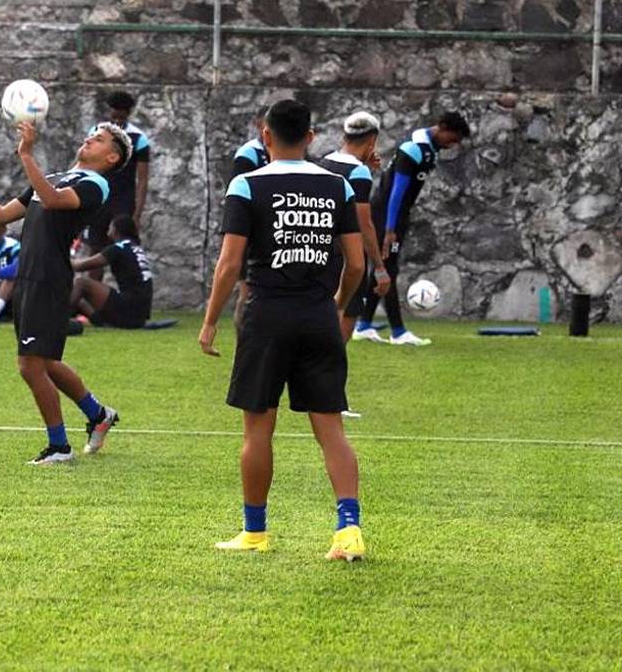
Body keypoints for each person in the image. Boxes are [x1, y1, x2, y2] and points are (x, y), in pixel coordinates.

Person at [198, 98, 367, 562]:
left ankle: (255, 533)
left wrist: (211, 321)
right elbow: (356, 263)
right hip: (318, 316)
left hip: (266, 316)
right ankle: (348, 530)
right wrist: (335, 302)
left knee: (258, 431)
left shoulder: (247, 184)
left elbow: (230, 263)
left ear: (265, 135)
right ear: (312, 137)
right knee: (331, 430)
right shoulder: (338, 186)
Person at [0, 121, 129, 464]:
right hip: (28, 277)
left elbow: (56, 202)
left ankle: (59, 447)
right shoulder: (55, 177)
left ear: (112, 157)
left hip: (49, 278)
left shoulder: (95, 184)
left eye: (99, 139)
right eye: (91, 134)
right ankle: (98, 414)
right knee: (47, 362)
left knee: (30, 365)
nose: (89, 139)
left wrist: (26, 153)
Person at [353, 111, 472, 346]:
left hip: (397, 215)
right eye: (453, 138)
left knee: (381, 269)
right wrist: (390, 228)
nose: (453, 145)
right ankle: (398, 332)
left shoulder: (429, 147)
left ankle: (364, 326)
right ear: (442, 127)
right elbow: (397, 192)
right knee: (387, 270)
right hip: (388, 214)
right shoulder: (414, 149)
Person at [318, 111, 391, 341]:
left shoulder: (324, 163)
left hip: (319, 252)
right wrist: (379, 268)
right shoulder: (358, 173)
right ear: (372, 141)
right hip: (345, 257)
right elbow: (364, 224)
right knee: (341, 330)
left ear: (344, 136)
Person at [81, 90, 152, 272]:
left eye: (122, 116)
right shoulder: (96, 133)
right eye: (115, 115)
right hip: (99, 198)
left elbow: (142, 179)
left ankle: (129, 292)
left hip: (123, 201)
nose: (118, 120)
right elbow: (86, 166)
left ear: (129, 114)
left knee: (124, 250)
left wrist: (137, 214)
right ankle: (92, 297)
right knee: (95, 248)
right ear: (109, 111)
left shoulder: (139, 139)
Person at [70, 214, 153, 329]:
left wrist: (60, 257)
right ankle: (101, 322)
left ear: (115, 230)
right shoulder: (135, 248)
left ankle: (57, 319)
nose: (108, 230)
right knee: (80, 301)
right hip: (139, 315)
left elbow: (80, 266)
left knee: (81, 283)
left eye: (110, 227)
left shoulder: (118, 248)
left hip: (130, 310)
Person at [230, 106, 272, 325]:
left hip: (276, 230)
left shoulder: (288, 151)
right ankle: (243, 346)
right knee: (247, 293)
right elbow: (237, 195)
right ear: (258, 124)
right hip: (252, 232)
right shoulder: (249, 154)